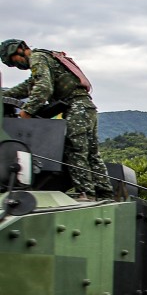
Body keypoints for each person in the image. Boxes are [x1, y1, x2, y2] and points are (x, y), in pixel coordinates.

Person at [0, 39, 114, 201]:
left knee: (75, 149)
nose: (17, 65)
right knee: (91, 153)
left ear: (18, 50)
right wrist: (3, 96)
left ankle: (87, 193)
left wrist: (27, 111)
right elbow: (28, 87)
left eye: (14, 61)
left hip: (76, 107)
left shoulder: (37, 58)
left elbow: (44, 88)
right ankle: (106, 194)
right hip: (86, 107)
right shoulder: (46, 59)